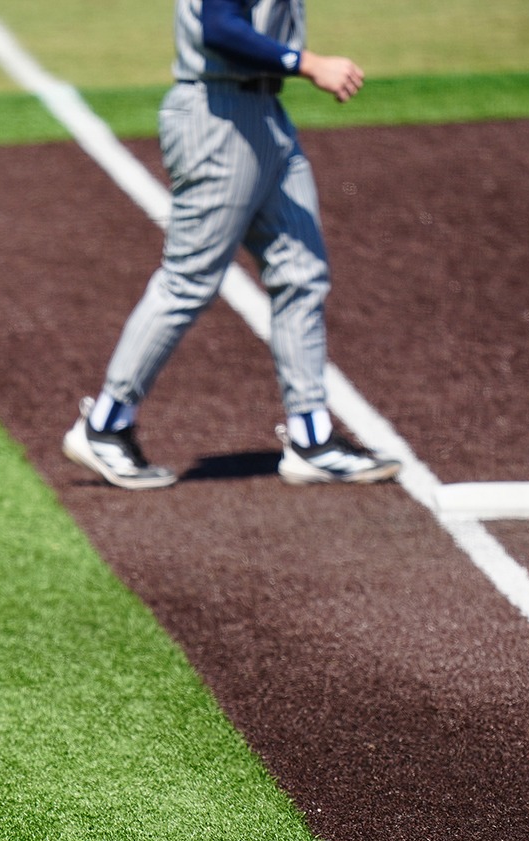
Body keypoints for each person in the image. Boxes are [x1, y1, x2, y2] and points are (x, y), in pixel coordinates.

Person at [62, 0, 399, 489]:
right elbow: (219, 27)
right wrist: (309, 63)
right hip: (218, 117)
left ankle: (311, 437)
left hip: (265, 114)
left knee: (302, 274)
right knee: (188, 282)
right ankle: (105, 427)